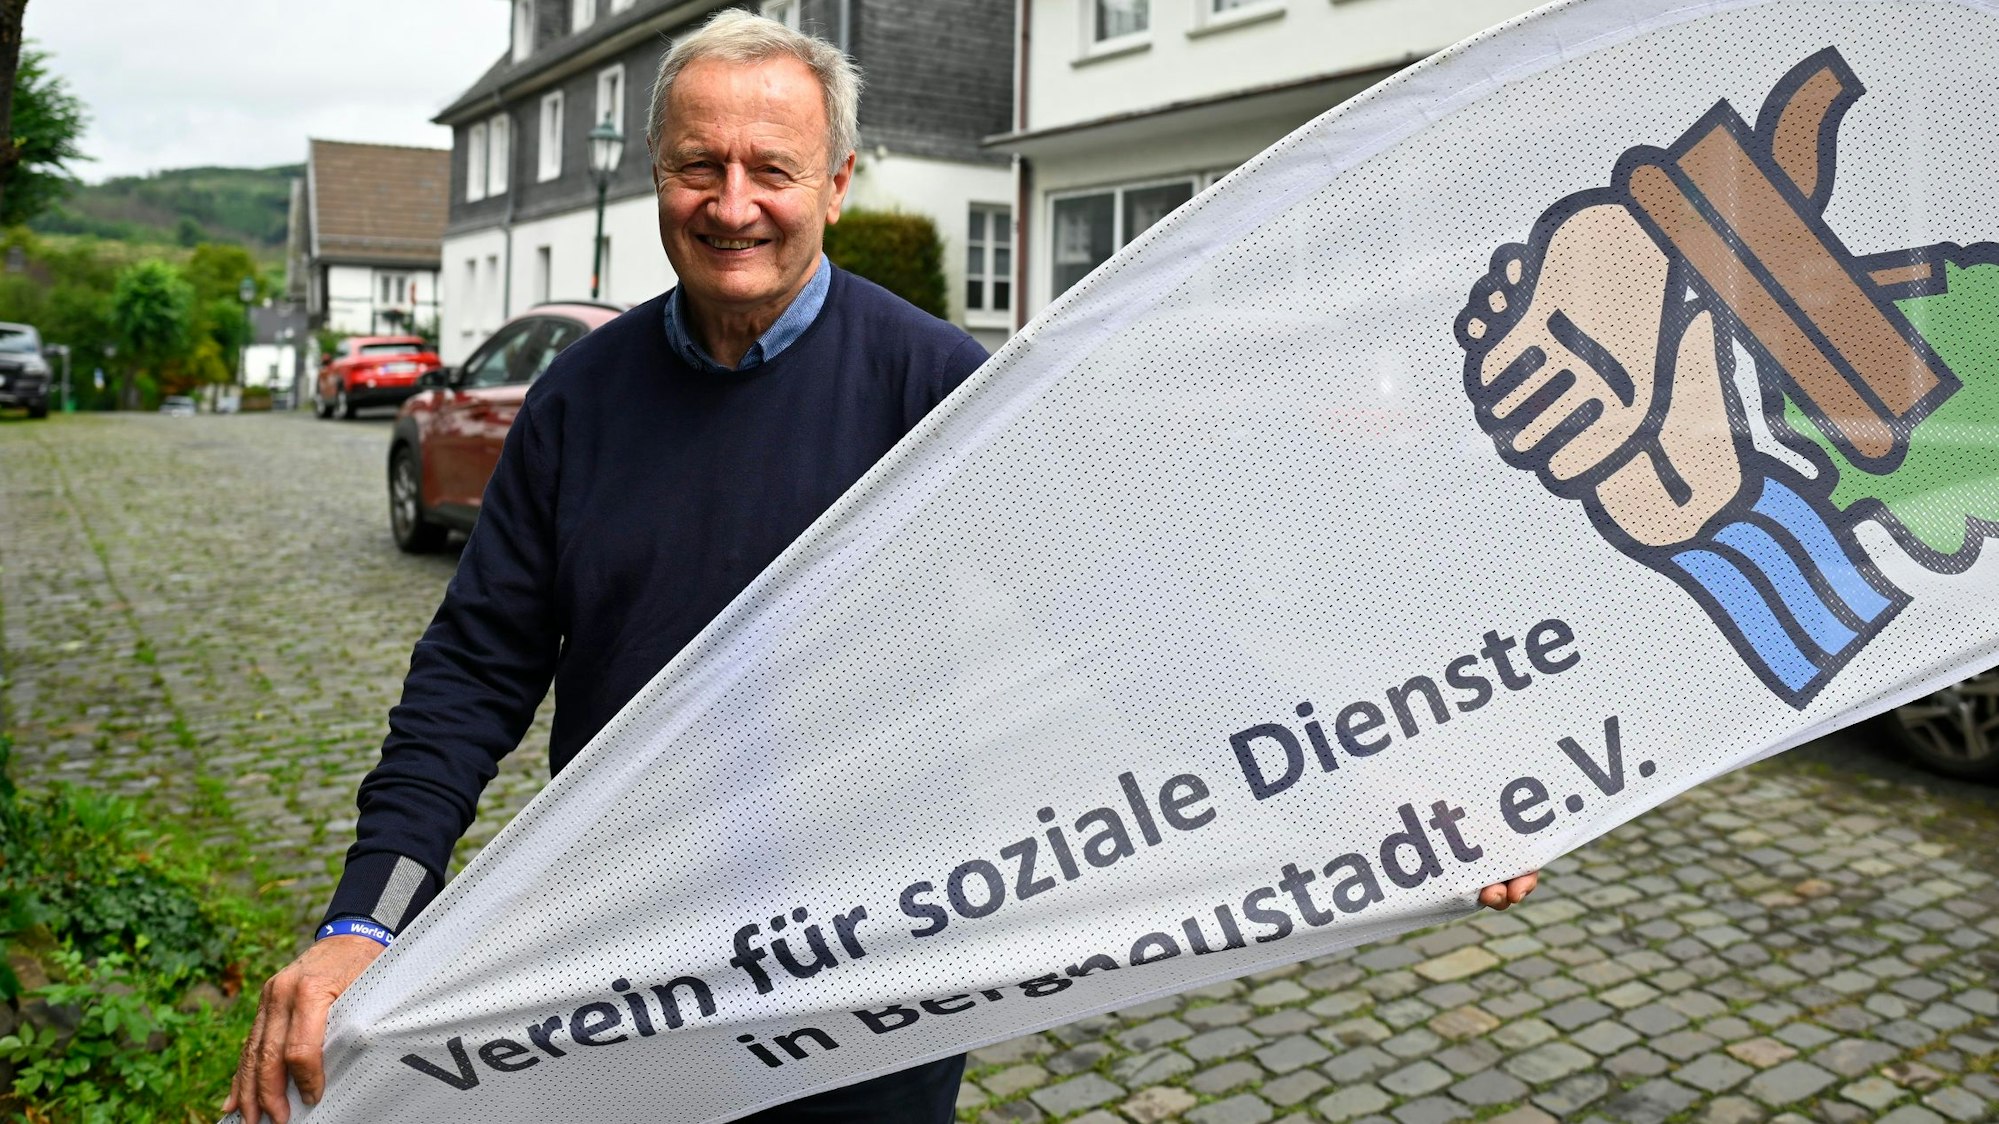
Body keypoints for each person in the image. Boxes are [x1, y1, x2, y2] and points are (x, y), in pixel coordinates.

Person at [227, 12, 1540, 1123]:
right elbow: (473, 669)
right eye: (698, 165)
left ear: (839, 182)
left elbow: (1123, 624)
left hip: (874, 964)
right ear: (655, 180)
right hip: (621, 953)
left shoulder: (936, 390)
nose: (732, 203)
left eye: (770, 168)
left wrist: (1365, 798)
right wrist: (369, 917)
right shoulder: (579, 399)